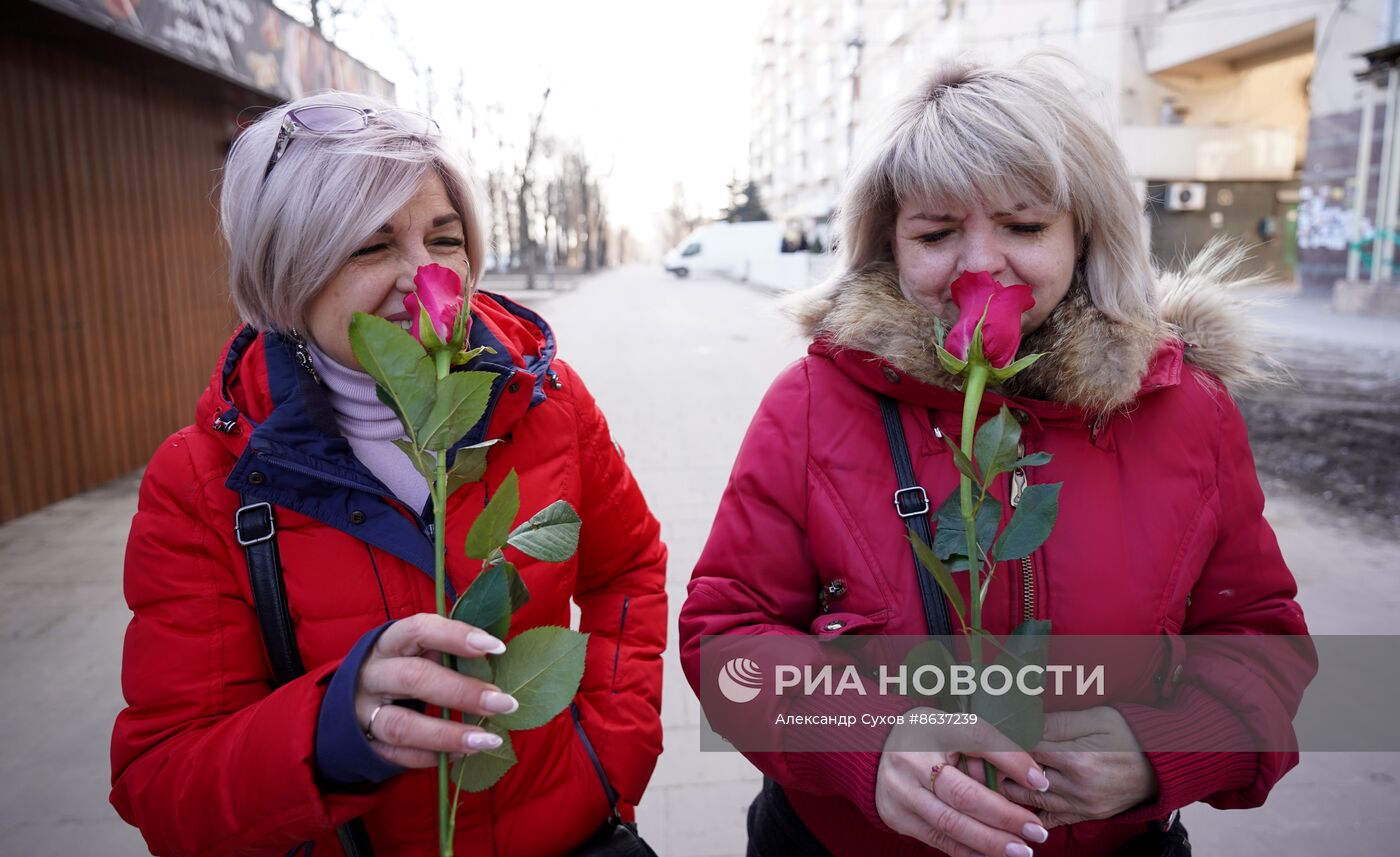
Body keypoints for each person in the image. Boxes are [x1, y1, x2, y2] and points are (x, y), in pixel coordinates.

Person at [679, 56, 1312, 857]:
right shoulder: (811, 403)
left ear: (1085, 233)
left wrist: (1162, 746)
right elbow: (728, 633)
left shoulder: (1187, 410)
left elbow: (1263, 638)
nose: (979, 263)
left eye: (1023, 225)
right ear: (889, 244)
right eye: (937, 232)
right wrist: (864, 740)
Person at [110, 91, 667, 856]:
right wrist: (332, 727)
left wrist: (609, 745)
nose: (423, 276)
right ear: (288, 272)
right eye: (372, 248)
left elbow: (628, 568)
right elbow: (166, 783)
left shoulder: (549, 402)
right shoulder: (204, 480)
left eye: (445, 240)